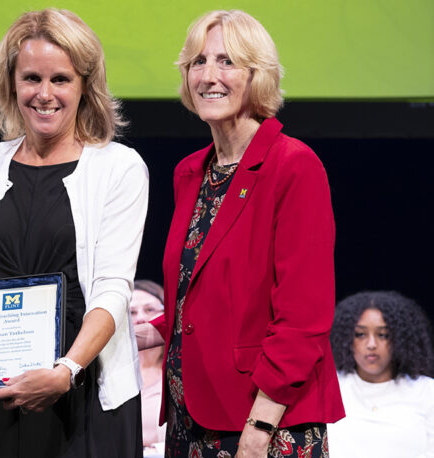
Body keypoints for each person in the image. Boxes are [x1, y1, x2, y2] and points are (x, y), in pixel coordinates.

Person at [136, 10, 345, 457]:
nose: (209, 75)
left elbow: (304, 316)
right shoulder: (189, 172)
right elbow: (206, 292)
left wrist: (261, 424)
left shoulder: (293, 165)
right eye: (198, 61)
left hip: (264, 422)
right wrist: (155, 329)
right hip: (188, 418)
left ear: (258, 75)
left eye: (227, 61)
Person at [0, 8, 148, 457]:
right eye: (31, 78)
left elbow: (113, 289)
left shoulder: (119, 167)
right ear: (11, 83)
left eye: (61, 79)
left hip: (83, 389)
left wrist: (66, 371)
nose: (44, 94)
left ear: (84, 86)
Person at [327, 291, 434, 457]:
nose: (371, 344)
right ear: (347, 339)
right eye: (360, 334)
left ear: (400, 339)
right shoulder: (329, 388)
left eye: (383, 335)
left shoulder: (427, 391)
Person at [130, 280, 166, 456]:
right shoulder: (110, 375)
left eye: (150, 310)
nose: (141, 318)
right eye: (131, 312)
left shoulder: (177, 373)